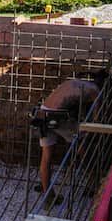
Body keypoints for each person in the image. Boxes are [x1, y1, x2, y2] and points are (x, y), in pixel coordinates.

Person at [33, 70, 107, 199]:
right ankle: (93, 185)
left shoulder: (77, 83)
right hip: (58, 116)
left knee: (46, 156)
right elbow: (96, 120)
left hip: (42, 114)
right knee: (83, 147)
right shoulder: (96, 91)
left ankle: (48, 195)